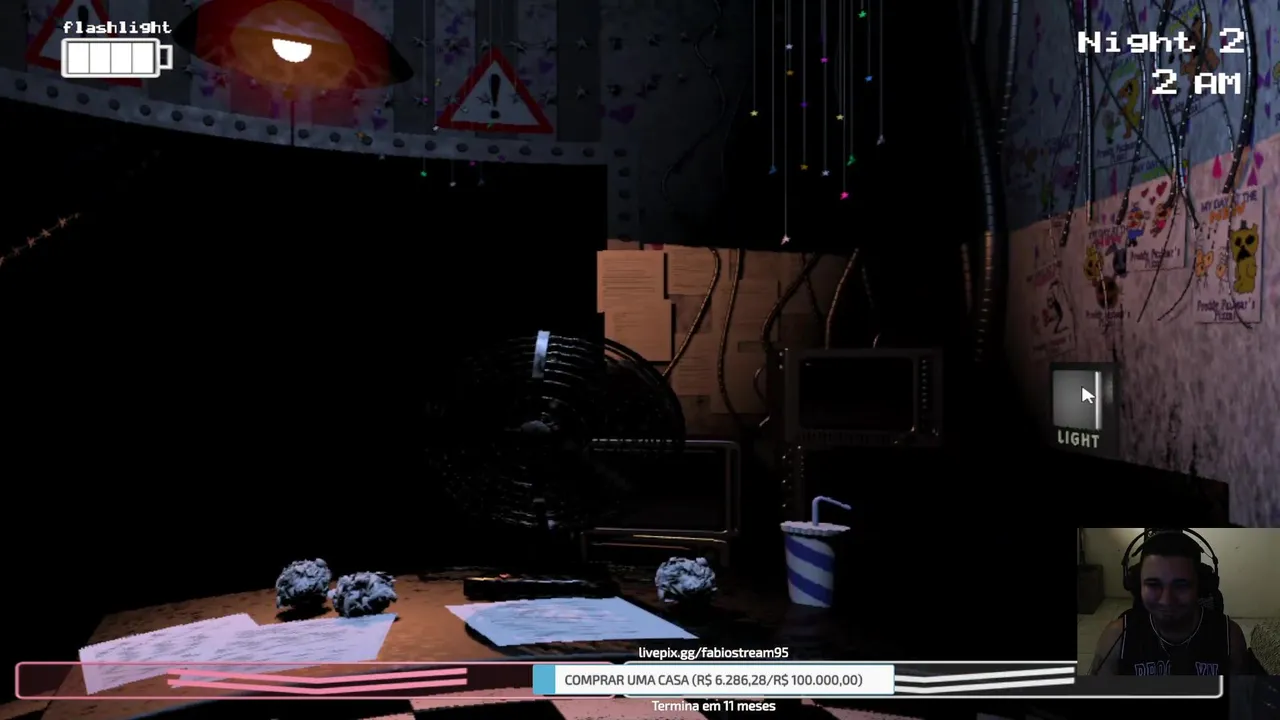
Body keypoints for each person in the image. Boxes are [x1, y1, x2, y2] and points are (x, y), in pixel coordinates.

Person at [1090, 531, 1248, 675]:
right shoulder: (1116, 639)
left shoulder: (1230, 638)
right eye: (1153, 585)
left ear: (1201, 586)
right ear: (1138, 586)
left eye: (1181, 586)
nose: (1167, 600)